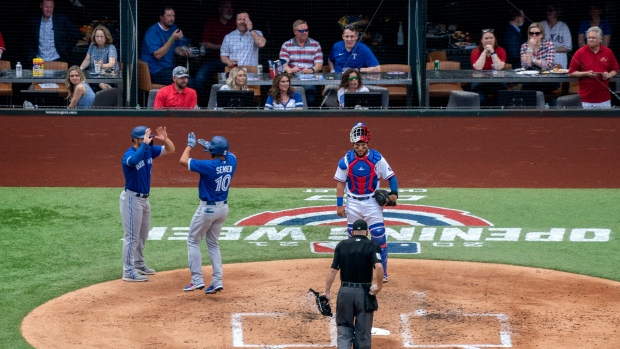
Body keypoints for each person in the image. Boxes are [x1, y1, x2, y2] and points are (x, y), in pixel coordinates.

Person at [334, 122, 398, 283]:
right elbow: (340, 183)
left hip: (372, 202)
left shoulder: (377, 158)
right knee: (354, 239)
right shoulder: (345, 160)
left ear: (367, 144)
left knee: (378, 237)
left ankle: (382, 273)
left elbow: (391, 177)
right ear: (353, 144)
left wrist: (394, 194)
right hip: (353, 203)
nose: (360, 148)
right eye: (357, 145)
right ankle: (356, 271)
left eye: (363, 145)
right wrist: (339, 204)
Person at [179, 132, 237, 294]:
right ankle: (217, 281)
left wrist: (190, 146)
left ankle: (197, 280)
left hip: (207, 210)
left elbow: (183, 160)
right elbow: (228, 153)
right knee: (213, 244)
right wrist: (213, 147)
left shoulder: (209, 166)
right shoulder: (232, 161)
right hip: (223, 209)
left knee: (193, 240)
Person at [120, 125, 175, 282]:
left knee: (142, 236)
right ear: (136, 139)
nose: (149, 140)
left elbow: (170, 149)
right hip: (132, 199)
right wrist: (144, 144)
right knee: (131, 237)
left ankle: (138, 264)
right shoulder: (129, 154)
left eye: (149, 138)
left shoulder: (149, 150)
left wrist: (166, 139)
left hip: (144, 200)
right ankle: (128, 271)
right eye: (145, 137)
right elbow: (133, 161)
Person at [322, 219, 383, 349]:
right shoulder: (372, 245)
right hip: (364, 293)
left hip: (345, 292)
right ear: (366, 232)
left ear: (352, 231)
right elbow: (378, 267)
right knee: (363, 332)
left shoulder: (341, 245)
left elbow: (333, 270)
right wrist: (378, 286)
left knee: (344, 328)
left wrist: (326, 291)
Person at [569, 26, 619, 108]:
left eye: (593, 38)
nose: (591, 40)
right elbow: (571, 72)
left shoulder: (608, 52)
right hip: (585, 98)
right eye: (589, 38)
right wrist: (586, 74)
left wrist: (609, 75)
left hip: (604, 98)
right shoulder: (580, 52)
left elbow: (615, 69)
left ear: (600, 39)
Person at [141, 7, 191, 86]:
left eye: (173, 16)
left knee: (189, 79)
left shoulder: (173, 28)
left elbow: (175, 47)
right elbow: (157, 55)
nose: (171, 18)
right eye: (168, 16)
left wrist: (182, 52)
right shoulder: (153, 31)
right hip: (155, 71)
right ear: (161, 17)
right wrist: (172, 39)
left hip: (169, 68)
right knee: (188, 82)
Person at [195, 1, 237, 91]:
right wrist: (223, 47)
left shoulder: (235, 24)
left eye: (231, 7)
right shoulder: (211, 22)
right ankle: (202, 102)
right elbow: (205, 43)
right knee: (199, 78)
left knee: (232, 79)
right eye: (226, 7)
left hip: (229, 60)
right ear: (220, 9)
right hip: (211, 58)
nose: (229, 10)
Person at [279, 20, 323, 106]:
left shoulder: (315, 44)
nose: (304, 33)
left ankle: (308, 116)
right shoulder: (286, 45)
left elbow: (319, 65)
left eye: (306, 30)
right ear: (295, 32)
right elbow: (283, 64)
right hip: (291, 78)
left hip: (309, 78)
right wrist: (290, 70)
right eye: (301, 31)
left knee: (310, 91)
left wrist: (311, 69)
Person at [28, 0, 81, 64]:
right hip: (38, 59)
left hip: (57, 59)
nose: (48, 10)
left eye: (51, 7)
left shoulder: (61, 19)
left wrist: (66, 49)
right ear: (41, 6)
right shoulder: (34, 20)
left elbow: (76, 34)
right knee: (38, 74)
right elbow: (29, 38)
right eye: (46, 7)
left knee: (57, 74)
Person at [470, 29, 507, 106]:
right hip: (479, 81)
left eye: (491, 38)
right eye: (486, 38)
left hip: (496, 80)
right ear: (481, 40)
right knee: (482, 100)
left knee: (501, 97)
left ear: (495, 39)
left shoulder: (501, 50)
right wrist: (484, 52)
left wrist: (493, 52)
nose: (489, 40)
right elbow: (478, 67)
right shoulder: (475, 51)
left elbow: (499, 67)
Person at [79, 25, 119, 90]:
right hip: (94, 76)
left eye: (101, 36)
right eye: (97, 36)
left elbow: (111, 64)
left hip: (108, 77)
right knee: (81, 81)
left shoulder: (111, 47)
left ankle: (101, 84)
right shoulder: (92, 45)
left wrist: (101, 65)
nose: (99, 39)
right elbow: (87, 60)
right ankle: (100, 84)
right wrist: (80, 69)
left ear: (106, 37)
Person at [540, 4, 572, 69]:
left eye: (550, 10)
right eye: (547, 10)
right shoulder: (541, 25)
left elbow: (568, 47)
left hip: (560, 60)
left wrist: (552, 49)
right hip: (543, 60)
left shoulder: (563, 26)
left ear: (556, 12)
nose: (548, 12)